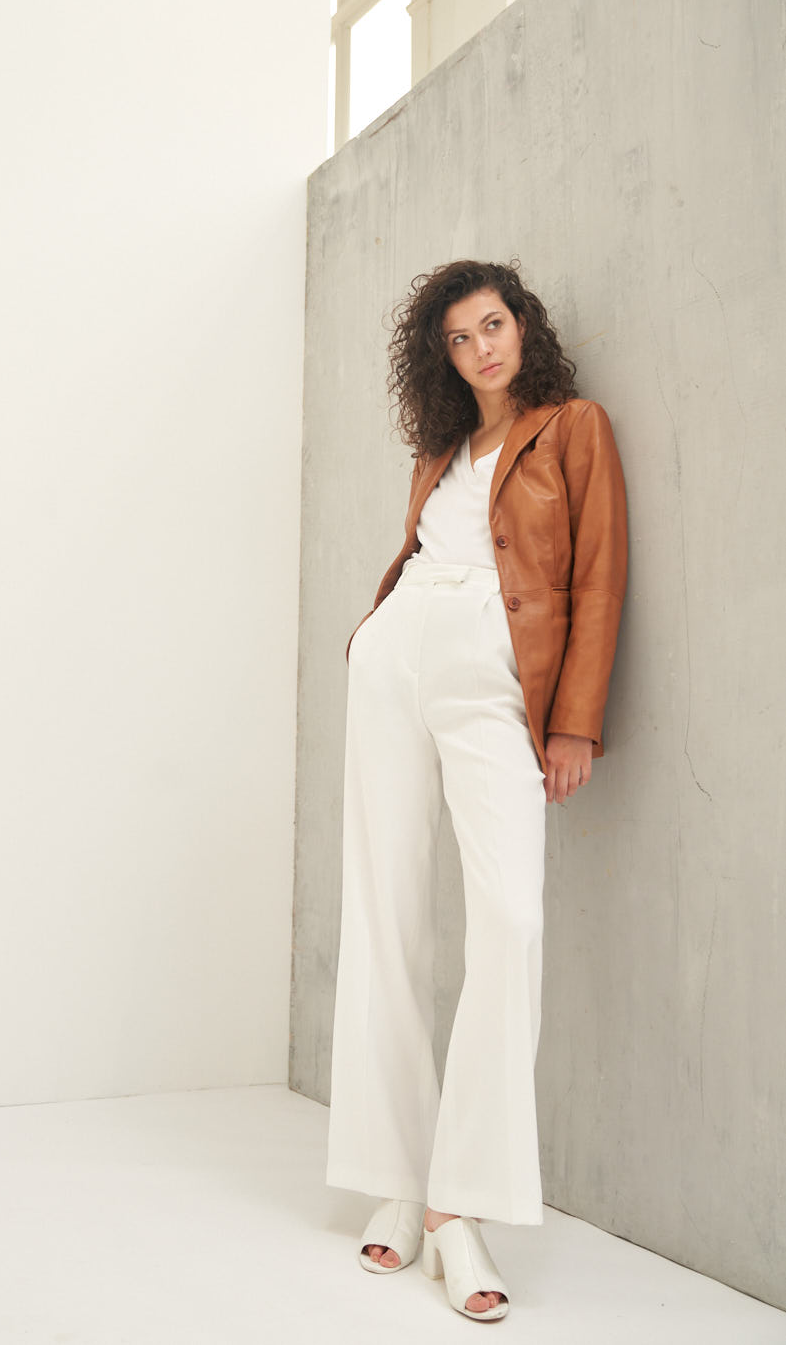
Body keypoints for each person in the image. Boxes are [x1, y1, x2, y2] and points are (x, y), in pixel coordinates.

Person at [325, 258, 628, 1322]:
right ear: (441, 358)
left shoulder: (572, 428)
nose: (479, 348)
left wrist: (573, 719)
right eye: (457, 338)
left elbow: (598, 575)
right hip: (395, 657)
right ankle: (396, 1176)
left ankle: (461, 1201)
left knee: (508, 919)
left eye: (491, 325)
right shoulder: (440, 449)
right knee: (386, 914)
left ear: (521, 324)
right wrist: (375, 638)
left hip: (493, 681)